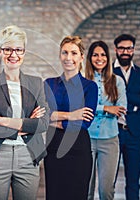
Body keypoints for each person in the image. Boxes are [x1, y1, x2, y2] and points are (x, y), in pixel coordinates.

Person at [0, 25, 49, 200]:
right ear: (0, 51)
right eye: (8, 49)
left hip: (28, 154)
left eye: (18, 49)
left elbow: (43, 123)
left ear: (24, 52)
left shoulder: (36, 83)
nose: (13, 54)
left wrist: (4, 121)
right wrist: (23, 126)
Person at [44, 36, 98, 200]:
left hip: (78, 150)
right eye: (65, 53)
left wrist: (54, 120)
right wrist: (71, 115)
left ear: (81, 57)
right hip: (53, 149)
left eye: (74, 53)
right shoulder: (49, 84)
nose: (69, 58)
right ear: (60, 55)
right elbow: (41, 115)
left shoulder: (90, 87)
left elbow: (83, 124)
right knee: (53, 195)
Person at [113, 34, 140, 200]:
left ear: (133, 50)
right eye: (122, 48)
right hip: (112, 132)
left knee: (133, 180)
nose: (125, 51)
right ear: (116, 49)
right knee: (109, 179)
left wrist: (124, 97)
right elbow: (107, 99)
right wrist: (135, 101)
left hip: (135, 133)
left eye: (129, 48)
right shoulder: (109, 72)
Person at [85, 41, 127, 200]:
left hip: (109, 140)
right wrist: (106, 108)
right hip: (86, 139)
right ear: (90, 58)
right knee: (85, 188)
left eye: (103, 55)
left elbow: (122, 108)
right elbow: (80, 106)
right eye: (95, 55)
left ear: (108, 58)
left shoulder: (118, 81)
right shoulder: (83, 80)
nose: (99, 58)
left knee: (106, 189)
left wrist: (93, 109)